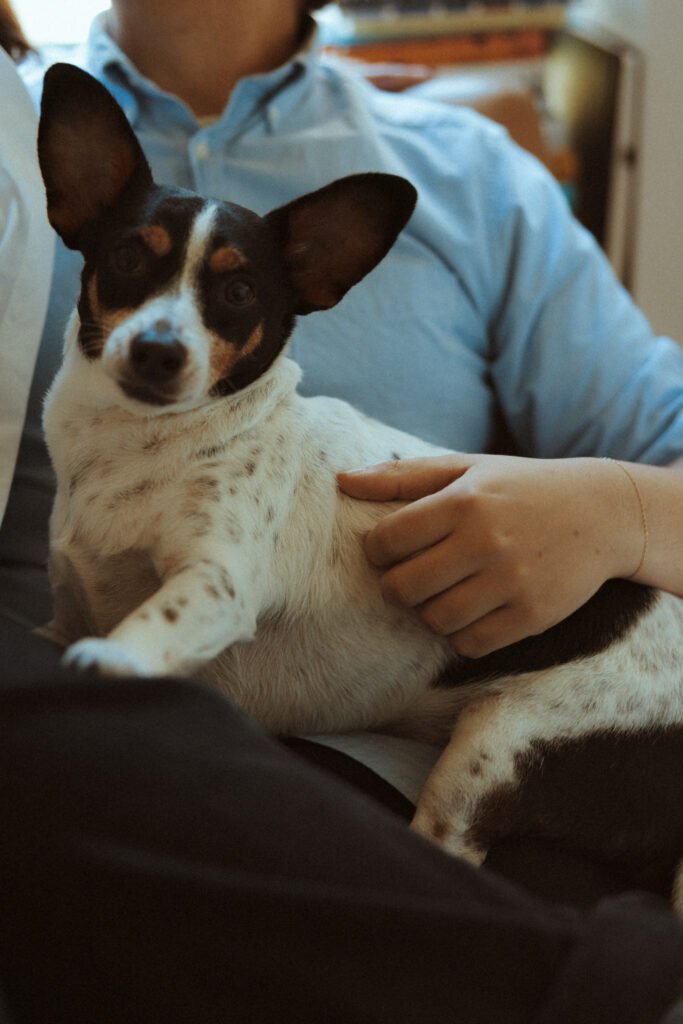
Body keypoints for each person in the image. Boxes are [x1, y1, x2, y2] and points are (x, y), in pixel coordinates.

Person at [0, 2, 682, 1021]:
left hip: (419, 764)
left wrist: (622, 506)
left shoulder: (472, 175)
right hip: (67, 748)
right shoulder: (8, 146)